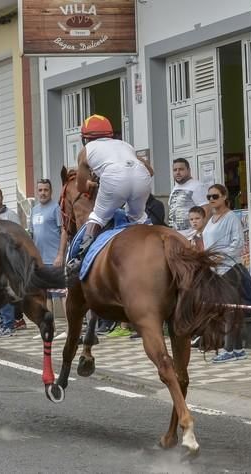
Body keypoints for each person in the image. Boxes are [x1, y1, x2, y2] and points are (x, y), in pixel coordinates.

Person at [67, 114, 153, 277]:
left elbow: (80, 187)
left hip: (114, 179)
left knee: (97, 218)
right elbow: (151, 171)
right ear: (110, 134)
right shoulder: (126, 145)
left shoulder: (85, 151)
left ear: (85, 138)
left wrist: (92, 184)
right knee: (138, 218)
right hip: (141, 177)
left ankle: (78, 259)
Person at [202, 184, 250, 363]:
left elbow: (237, 244)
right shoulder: (211, 218)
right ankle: (237, 348)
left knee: (229, 310)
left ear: (224, 197)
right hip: (215, 270)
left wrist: (218, 258)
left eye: (215, 196)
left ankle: (228, 348)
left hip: (229, 269)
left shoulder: (231, 218)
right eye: (209, 197)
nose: (212, 200)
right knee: (227, 310)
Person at [29, 178, 68, 337]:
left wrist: (60, 254)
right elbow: (31, 234)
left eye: (46, 190)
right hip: (40, 260)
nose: (43, 193)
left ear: (51, 192)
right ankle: (49, 328)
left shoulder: (56, 209)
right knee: (46, 296)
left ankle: (70, 329)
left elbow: (64, 232)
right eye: (40, 190)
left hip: (55, 259)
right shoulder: (34, 210)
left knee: (61, 294)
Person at [0, 188, 21, 337]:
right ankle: (2, 323)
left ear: (2, 198)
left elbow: (19, 236)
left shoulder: (11, 215)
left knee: (5, 292)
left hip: (8, 259)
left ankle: (9, 324)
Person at [168, 158, 210, 237]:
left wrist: (199, 234)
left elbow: (206, 210)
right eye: (175, 170)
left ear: (189, 170)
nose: (177, 172)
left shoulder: (197, 186)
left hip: (192, 238)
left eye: (181, 169)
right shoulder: (175, 188)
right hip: (177, 238)